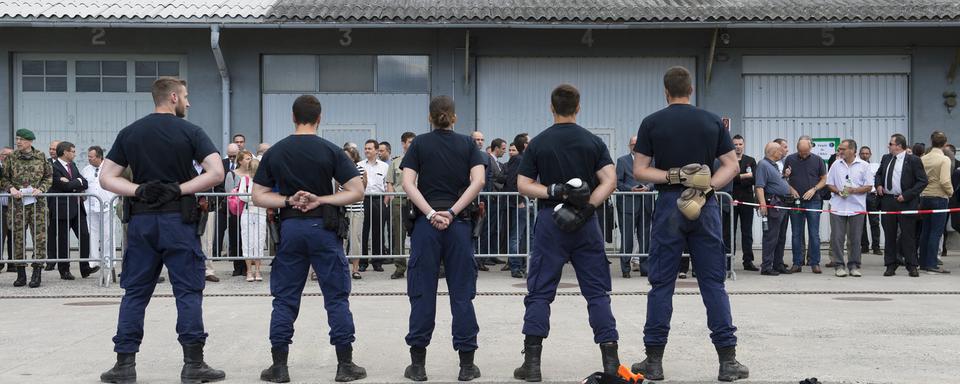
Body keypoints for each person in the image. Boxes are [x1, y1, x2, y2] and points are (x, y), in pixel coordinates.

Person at [98, 77, 226, 383]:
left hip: (142, 222)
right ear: (172, 98)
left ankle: (124, 365)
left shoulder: (130, 133)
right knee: (188, 291)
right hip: (178, 222)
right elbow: (216, 172)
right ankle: (193, 364)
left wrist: (139, 190)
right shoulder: (191, 131)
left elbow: (106, 177)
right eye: (185, 96)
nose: (188, 102)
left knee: (135, 293)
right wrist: (179, 189)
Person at [631, 67, 747, 382]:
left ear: (666, 91)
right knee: (713, 284)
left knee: (661, 285)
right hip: (704, 204)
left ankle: (654, 361)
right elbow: (732, 165)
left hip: (669, 204)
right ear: (691, 89)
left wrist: (674, 176)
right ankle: (727, 362)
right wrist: (706, 187)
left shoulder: (652, 122)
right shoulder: (711, 121)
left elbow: (640, 170)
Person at [252, 95, 367, 382]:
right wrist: (322, 199)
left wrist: (289, 200)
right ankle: (345, 365)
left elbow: (258, 196)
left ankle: (279, 366)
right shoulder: (330, 151)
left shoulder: (275, 152)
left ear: (293, 117)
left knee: (285, 297)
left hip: (291, 228)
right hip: (323, 229)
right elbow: (356, 191)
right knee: (336, 297)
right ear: (320, 118)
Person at [514, 84, 622, 382]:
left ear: (552, 107)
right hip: (586, 222)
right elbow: (609, 180)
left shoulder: (539, 143)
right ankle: (611, 361)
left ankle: (532, 365)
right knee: (597, 292)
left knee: (540, 291)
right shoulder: (592, 142)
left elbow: (523, 184)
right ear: (578, 107)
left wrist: (553, 190)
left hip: (551, 219)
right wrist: (589, 207)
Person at [398, 96, 485, 381]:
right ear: (454, 118)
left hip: (427, 226)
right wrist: (451, 211)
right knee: (462, 293)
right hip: (458, 224)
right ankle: (466, 365)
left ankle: (418, 366)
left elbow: (407, 183)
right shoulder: (468, 144)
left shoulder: (419, 144)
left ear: (430, 118)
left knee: (422, 292)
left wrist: (431, 212)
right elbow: (479, 181)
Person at [1, 129, 51, 288]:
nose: (18, 142)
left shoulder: (41, 156)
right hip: (17, 205)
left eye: (21, 139)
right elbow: (3, 178)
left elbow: (48, 177)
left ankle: (37, 273)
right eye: (17, 139)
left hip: (38, 205)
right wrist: (11, 189)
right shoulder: (11, 158)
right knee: (17, 238)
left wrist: (42, 188)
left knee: (40, 239)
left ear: (30, 141)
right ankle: (20, 273)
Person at [876, 133, 927, 277]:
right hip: (888, 201)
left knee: (908, 235)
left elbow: (922, 181)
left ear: (899, 146)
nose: (888, 146)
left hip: (906, 202)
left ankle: (911, 265)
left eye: (891, 144)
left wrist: (907, 195)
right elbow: (879, 174)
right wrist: (879, 184)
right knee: (890, 234)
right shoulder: (886, 158)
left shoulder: (913, 160)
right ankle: (891, 264)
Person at [826, 139, 873, 277]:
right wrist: (838, 191)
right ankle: (839, 265)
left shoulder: (864, 165)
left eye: (842, 149)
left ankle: (854, 265)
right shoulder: (835, 164)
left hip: (857, 207)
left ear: (852, 150)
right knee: (837, 238)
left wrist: (854, 190)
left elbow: (869, 186)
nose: (840, 151)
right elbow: (829, 183)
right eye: (840, 149)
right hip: (837, 206)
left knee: (855, 239)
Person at [784, 137, 826, 273]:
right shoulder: (790, 159)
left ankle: (815, 262)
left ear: (811, 148)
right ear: (797, 149)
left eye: (806, 152)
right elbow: (784, 178)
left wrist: (814, 189)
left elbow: (824, 179)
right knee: (796, 233)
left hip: (813, 201)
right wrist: (790, 188)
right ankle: (797, 263)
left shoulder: (818, 160)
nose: (803, 154)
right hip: (795, 202)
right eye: (801, 152)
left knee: (814, 233)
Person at [615, 136, 652, 278]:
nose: (635, 147)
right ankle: (625, 269)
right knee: (627, 238)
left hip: (646, 204)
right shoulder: (622, 161)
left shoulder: (649, 161)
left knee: (645, 238)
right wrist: (631, 189)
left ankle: (645, 268)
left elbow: (655, 179)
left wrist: (648, 187)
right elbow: (617, 182)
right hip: (628, 205)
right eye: (633, 144)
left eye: (638, 144)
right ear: (629, 146)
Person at [918, 131, 953, 274]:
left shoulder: (923, 158)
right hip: (939, 197)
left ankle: (923, 262)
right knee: (936, 232)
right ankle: (932, 263)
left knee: (925, 230)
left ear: (931, 142)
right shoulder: (944, 159)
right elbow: (945, 180)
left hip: (925, 196)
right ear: (945, 144)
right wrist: (951, 192)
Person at [386, 131, 416, 279]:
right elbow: (390, 182)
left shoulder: (421, 161)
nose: (412, 145)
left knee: (418, 235)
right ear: (403, 144)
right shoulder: (396, 162)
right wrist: (392, 197)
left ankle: (416, 265)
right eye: (410, 142)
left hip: (417, 201)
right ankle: (400, 267)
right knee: (398, 235)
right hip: (399, 201)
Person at [234, 150, 265, 282]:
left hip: (260, 212)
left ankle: (258, 270)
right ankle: (249, 271)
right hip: (247, 212)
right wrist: (253, 197)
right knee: (247, 241)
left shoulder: (263, 181)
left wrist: (251, 196)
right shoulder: (244, 179)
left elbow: (263, 197)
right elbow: (241, 196)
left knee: (259, 241)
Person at [359, 139, 388, 272]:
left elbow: (387, 185)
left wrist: (386, 201)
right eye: (365, 148)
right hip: (363, 200)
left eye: (369, 148)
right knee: (363, 231)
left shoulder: (384, 166)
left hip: (378, 200)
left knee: (378, 231)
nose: (366, 150)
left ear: (376, 151)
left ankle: (377, 262)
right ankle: (363, 262)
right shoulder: (359, 165)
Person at [731, 135, 758, 271]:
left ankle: (748, 261)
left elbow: (755, 179)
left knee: (747, 232)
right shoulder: (728, 161)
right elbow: (728, 178)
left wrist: (737, 178)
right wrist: (744, 176)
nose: (738, 147)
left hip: (747, 200)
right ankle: (729, 260)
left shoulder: (750, 161)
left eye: (740, 144)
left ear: (744, 145)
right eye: (735, 144)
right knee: (730, 231)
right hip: (731, 200)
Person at [503, 140, 529, 278]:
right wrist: (519, 200)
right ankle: (515, 266)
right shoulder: (518, 159)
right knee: (516, 236)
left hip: (527, 203)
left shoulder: (524, 159)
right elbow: (513, 181)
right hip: (520, 203)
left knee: (525, 236)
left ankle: (523, 265)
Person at [343, 146, 367, 280]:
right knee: (342, 240)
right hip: (343, 209)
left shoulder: (361, 170)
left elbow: (362, 191)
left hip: (357, 209)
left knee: (356, 239)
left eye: (348, 156)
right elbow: (338, 190)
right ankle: (342, 268)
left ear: (354, 157)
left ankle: (355, 269)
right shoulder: (338, 170)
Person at [859, 146, 882, 255]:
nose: (865, 155)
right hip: (861, 196)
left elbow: (880, 179)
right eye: (863, 153)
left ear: (870, 154)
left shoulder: (875, 166)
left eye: (867, 153)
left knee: (875, 222)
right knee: (861, 223)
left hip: (872, 196)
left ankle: (876, 247)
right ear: (859, 154)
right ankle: (864, 246)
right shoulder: (857, 166)